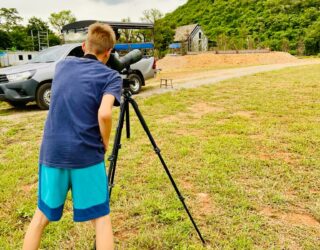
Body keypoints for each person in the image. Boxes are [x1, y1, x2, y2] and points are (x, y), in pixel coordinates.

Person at [23, 23, 122, 250]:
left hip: (53, 152)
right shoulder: (111, 76)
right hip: (87, 154)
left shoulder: (62, 66)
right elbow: (105, 113)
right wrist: (104, 141)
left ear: (84, 45)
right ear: (108, 53)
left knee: (40, 217)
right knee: (101, 218)